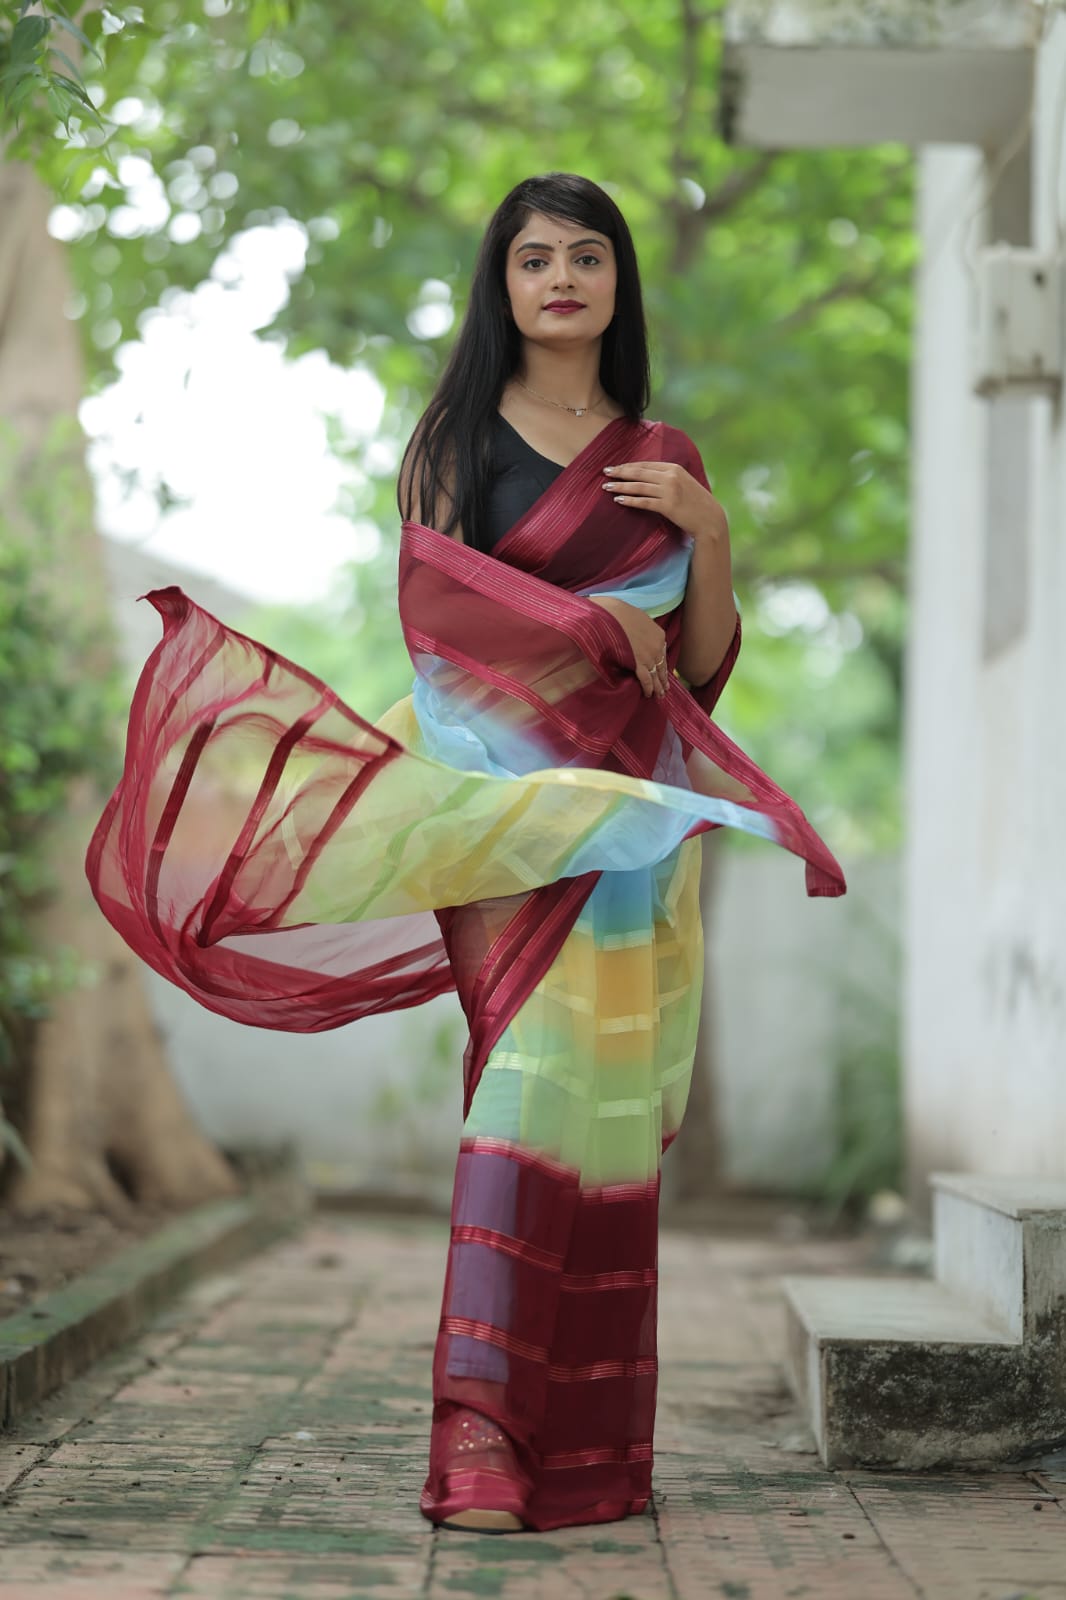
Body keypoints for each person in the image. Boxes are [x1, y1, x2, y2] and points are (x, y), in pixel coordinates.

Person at [86, 172, 845, 1537]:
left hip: (624, 832)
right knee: (520, 1103)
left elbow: (703, 668)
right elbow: (436, 614)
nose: (560, 276)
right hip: (498, 821)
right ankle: (481, 1442)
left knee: (599, 1124)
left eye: (587, 255)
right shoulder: (455, 435)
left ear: (619, 283)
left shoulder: (660, 454)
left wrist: (709, 531)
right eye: (533, 257)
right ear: (500, 285)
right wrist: (585, 630)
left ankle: (590, 1454)